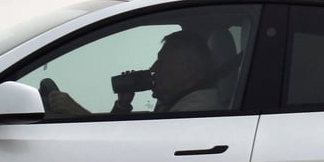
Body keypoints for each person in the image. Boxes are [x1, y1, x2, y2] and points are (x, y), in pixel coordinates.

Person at [45, 30, 221, 115]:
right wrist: (122, 105)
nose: (153, 69)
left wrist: (77, 112)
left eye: (162, 61)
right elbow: (121, 140)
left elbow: (139, 152)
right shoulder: (177, 101)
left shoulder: (197, 109)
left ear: (187, 69)